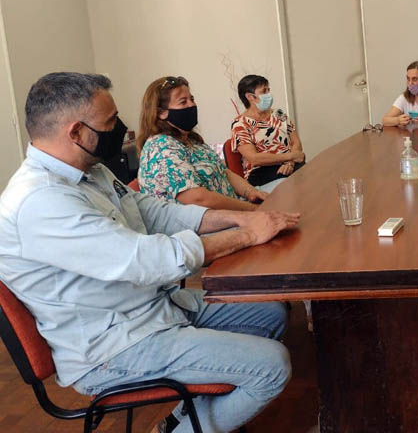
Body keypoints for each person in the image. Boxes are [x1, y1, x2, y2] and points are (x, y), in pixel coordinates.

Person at [0, 72, 301, 433]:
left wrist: (234, 219)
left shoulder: (87, 171)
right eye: (110, 122)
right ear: (76, 132)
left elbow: (154, 211)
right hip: (114, 346)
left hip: (152, 309)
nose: (122, 129)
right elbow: (148, 261)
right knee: (271, 366)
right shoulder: (40, 202)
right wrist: (246, 236)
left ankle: (184, 415)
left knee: (269, 316)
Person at [137, 76, 269, 211]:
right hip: (203, 228)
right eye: (183, 102)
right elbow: (199, 199)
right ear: (161, 113)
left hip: (231, 212)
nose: (191, 105)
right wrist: (251, 209)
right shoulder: (160, 148)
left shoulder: (191, 141)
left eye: (192, 99)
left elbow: (224, 172)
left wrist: (251, 192)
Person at [230, 75, 305, 191]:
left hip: (291, 165)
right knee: (295, 189)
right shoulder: (240, 124)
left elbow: (296, 142)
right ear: (250, 97)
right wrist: (290, 157)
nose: (268, 94)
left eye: (268, 90)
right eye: (264, 91)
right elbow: (254, 158)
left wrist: (289, 163)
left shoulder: (279, 114)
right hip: (262, 173)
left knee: (314, 178)